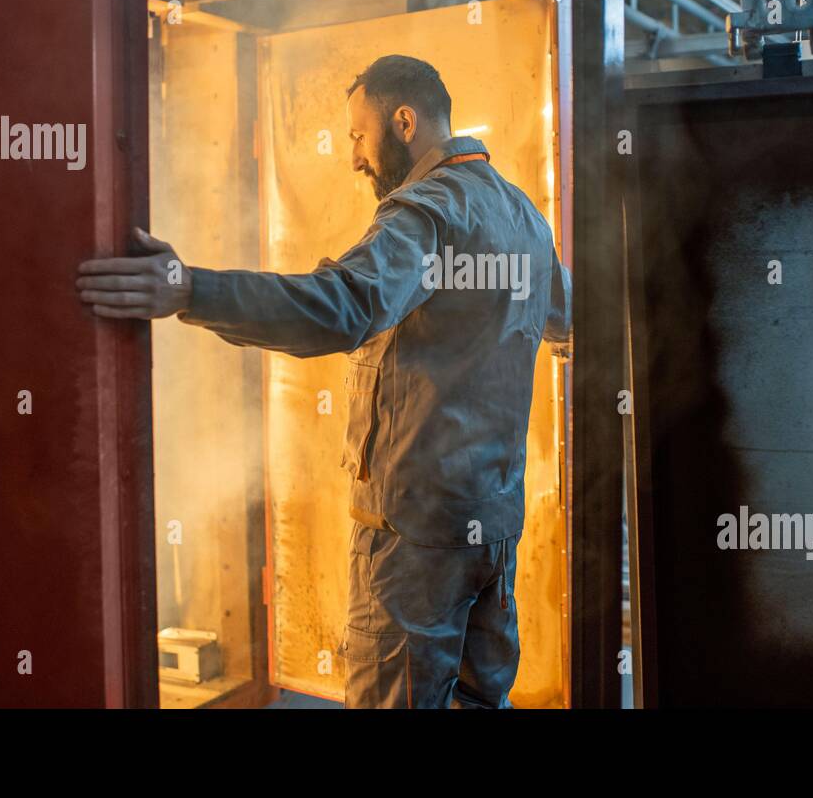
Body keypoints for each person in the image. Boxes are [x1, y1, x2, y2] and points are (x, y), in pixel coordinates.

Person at [76, 54, 572, 708]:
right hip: (493, 529)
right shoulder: (526, 220)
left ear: (403, 121)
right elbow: (567, 326)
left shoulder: (427, 215)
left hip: (414, 536)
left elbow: (342, 307)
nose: (354, 158)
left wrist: (191, 289)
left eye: (358, 136)